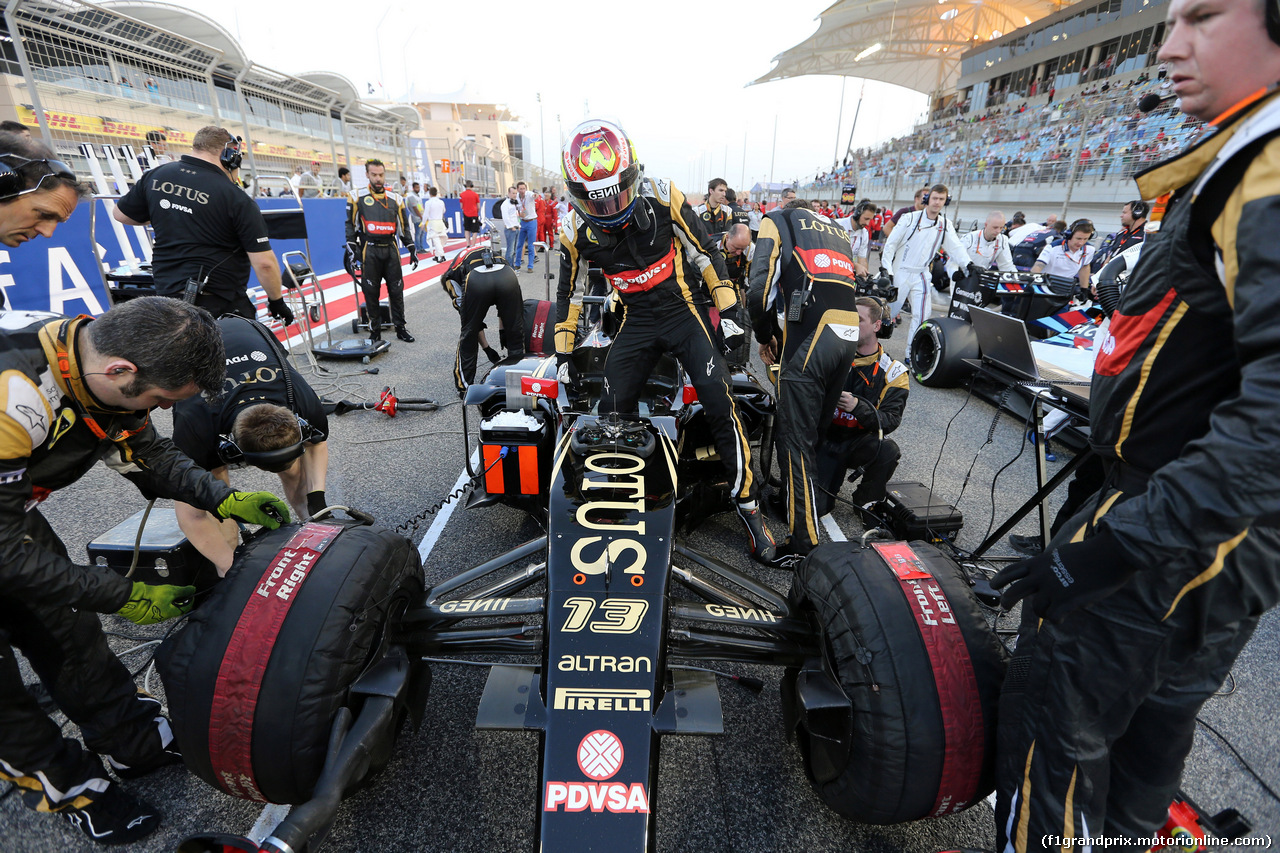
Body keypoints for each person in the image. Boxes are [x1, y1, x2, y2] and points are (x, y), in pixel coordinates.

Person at [989, 0, 1280, 846]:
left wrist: (1116, 544)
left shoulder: (1262, 164)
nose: (1168, 45)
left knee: (1054, 706)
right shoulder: (1238, 156)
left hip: (1181, 525)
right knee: (1154, 724)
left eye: (1203, 16)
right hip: (1208, 523)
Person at [0, 296, 291, 846]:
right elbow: (5, 558)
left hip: (10, 517)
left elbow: (150, 454)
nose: (158, 410)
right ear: (121, 371)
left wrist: (222, 498)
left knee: (69, 631)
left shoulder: (94, 358)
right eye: (160, 399)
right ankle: (75, 790)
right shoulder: (12, 398)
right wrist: (120, 594)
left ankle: (134, 742)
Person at [555, 119, 774, 563]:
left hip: (682, 312)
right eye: (596, 200)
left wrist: (729, 309)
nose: (610, 207)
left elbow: (705, 251)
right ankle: (615, 499)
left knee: (719, 393)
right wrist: (562, 353)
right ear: (578, 195)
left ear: (632, 176)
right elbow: (570, 295)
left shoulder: (661, 193)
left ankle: (749, 506)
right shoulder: (573, 231)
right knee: (610, 403)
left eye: (617, 193)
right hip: (635, 320)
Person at [748, 199, 863, 567]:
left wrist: (765, 336)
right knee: (811, 436)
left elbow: (757, 289)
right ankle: (803, 508)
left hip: (815, 335)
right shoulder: (837, 229)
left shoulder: (778, 219)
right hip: (848, 333)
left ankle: (804, 543)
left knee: (794, 440)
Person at [170, 314, 329, 574]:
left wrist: (317, 502)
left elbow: (316, 445)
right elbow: (191, 514)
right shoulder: (195, 425)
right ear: (231, 448)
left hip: (248, 335)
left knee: (294, 473)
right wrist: (228, 567)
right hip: (192, 352)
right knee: (213, 475)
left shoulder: (302, 400)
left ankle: (310, 529)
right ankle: (231, 543)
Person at [112, 126, 293, 325]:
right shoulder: (235, 197)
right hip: (218, 300)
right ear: (230, 156)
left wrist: (167, 213)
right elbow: (264, 263)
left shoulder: (156, 175)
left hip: (167, 293)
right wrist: (276, 301)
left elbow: (121, 214)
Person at [812, 297, 908, 518]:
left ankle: (866, 500)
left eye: (859, 320)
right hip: (824, 438)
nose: (851, 324)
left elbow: (891, 419)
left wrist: (857, 406)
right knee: (814, 510)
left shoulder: (894, 372)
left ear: (876, 326)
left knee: (888, 449)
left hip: (858, 442)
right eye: (849, 318)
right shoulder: (829, 355)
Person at [880, 183, 978, 355]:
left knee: (922, 316)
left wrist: (968, 264)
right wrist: (887, 271)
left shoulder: (945, 224)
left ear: (945, 201)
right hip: (901, 271)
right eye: (934, 198)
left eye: (941, 199)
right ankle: (869, 347)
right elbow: (891, 245)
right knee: (888, 313)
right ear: (927, 199)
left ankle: (911, 352)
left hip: (922, 274)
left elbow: (955, 247)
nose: (937, 202)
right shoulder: (909, 219)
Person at [345, 158, 419, 344]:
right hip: (369, 250)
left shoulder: (396, 198)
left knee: (397, 290)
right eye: (374, 175)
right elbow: (350, 225)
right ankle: (374, 331)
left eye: (381, 175)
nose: (378, 179)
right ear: (367, 175)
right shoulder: (356, 196)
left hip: (391, 250)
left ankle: (401, 328)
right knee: (371, 292)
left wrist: (411, 247)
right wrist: (352, 247)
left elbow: (403, 227)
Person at [441, 244, 525, 397]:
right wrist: (503, 332)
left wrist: (486, 348)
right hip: (507, 274)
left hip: (477, 279)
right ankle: (517, 388)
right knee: (515, 332)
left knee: (468, 335)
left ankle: (465, 388)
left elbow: (472, 324)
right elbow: (504, 310)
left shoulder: (449, 277)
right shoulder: (493, 254)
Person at [704, 223, 755, 366]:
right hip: (706, 289)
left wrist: (744, 310)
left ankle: (736, 364)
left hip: (733, 290)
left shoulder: (751, 249)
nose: (739, 252)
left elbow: (748, 281)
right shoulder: (709, 244)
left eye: (742, 249)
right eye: (736, 248)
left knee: (740, 325)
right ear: (727, 238)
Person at [1030, 217, 1095, 298]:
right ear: (1069, 235)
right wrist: (1034, 284)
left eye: (1085, 239)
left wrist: (1084, 290)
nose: (1081, 242)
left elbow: (1085, 267)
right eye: (1078, 238)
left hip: (1066, 288)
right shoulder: (1053, 247)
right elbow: (1038, 265)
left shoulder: (1089, 249)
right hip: (1046, 287)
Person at [951, 210, 1017, 274]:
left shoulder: (1002, 240)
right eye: (995, 227)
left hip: (983, 277)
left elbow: (1006, 266)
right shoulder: (969, 238)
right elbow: (953, 260)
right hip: (963, 276)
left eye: (1001, 228)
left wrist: (1017, 277)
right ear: (986, 225)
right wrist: (954, 274)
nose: (998, 231)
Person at [1091, 198, 1149, 271]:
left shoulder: (1148, 236)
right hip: (1111, 277)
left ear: (1137, 213)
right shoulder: (1121, 234)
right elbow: (1110, 257)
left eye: (1124, 213)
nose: (1121, 216)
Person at [513, 180, 539, 272]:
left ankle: (530, 266)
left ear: (526, 189)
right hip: (522, 222)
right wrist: (519, 214)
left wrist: (535, 195)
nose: (522, 190)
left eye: (524, 188)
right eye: (520, 189)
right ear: (517, 189)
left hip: (532, 222)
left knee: (531, 245)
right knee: (520, 244)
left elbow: (534, 195)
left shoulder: (529, 194)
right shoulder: (516, 197)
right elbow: (514, 208)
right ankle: (517, 264)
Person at [847, 202, 876, 276]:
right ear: (857, 215)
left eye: (870, 220)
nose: (867, 223)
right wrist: (855, 265)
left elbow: (862, 259)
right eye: (866, 219)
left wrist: (865, 277)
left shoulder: (864, 233)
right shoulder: (838, 225)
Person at [422, 186, 447, 263]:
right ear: (436, 193)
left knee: (436, 240)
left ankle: (442, 256)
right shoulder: (441, 202)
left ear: (430, 193)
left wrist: (423, 223)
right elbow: (444, 211)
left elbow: (426, 214)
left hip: (432, 223)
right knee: (441, 240)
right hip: (440, 222)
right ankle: (436, 256)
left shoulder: (428, 202)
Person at [499, 185, 520, 261]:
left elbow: (516, 216)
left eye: (515, 193)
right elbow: (506, 217)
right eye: (513, 193)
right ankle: (509, 267)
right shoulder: (505, 204)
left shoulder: (514, 203)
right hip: (510, 230)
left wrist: (518, 225)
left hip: (516, 228)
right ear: (509, 193)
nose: (514, 195)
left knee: (514, 250)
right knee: (510, 251)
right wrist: (512, 227)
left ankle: (512, 266)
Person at [460, 179, 481, 247]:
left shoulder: (462, 194)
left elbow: (461, 206)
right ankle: (473, 244)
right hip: (474, 214)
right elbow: (478, 206)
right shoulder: (475, 195)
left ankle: (468, 244)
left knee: (467, 229)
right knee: (474, 230)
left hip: (466, 213)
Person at [407, 181, 426, 253]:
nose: (418, 189)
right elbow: (415, 208)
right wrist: (421, 216)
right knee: (418, 233)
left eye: (419, 187)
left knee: (422, 233)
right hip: (417, 217)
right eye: (417, 188)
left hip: (421, 216)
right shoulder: (411, 196)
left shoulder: (417, 195)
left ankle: (421, 247)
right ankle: (418, 248)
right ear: (413, 188)